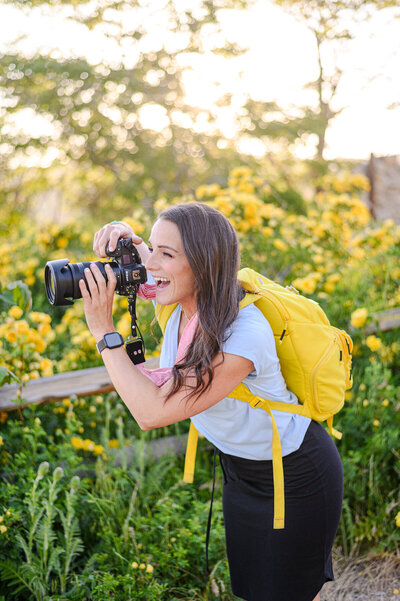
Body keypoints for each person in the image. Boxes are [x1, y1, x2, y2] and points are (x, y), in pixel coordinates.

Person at [79, 202, 343, 601]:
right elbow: (153, 269)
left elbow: (151, 413)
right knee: (258, 589)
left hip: (294, 474)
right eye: (152, 249)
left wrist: (103, 329)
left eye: (166, 254)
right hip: (240, 470)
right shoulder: (181, 307)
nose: (152, 264)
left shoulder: (243, 333)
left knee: (290, 592)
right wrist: (126, 237)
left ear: (204, 263)